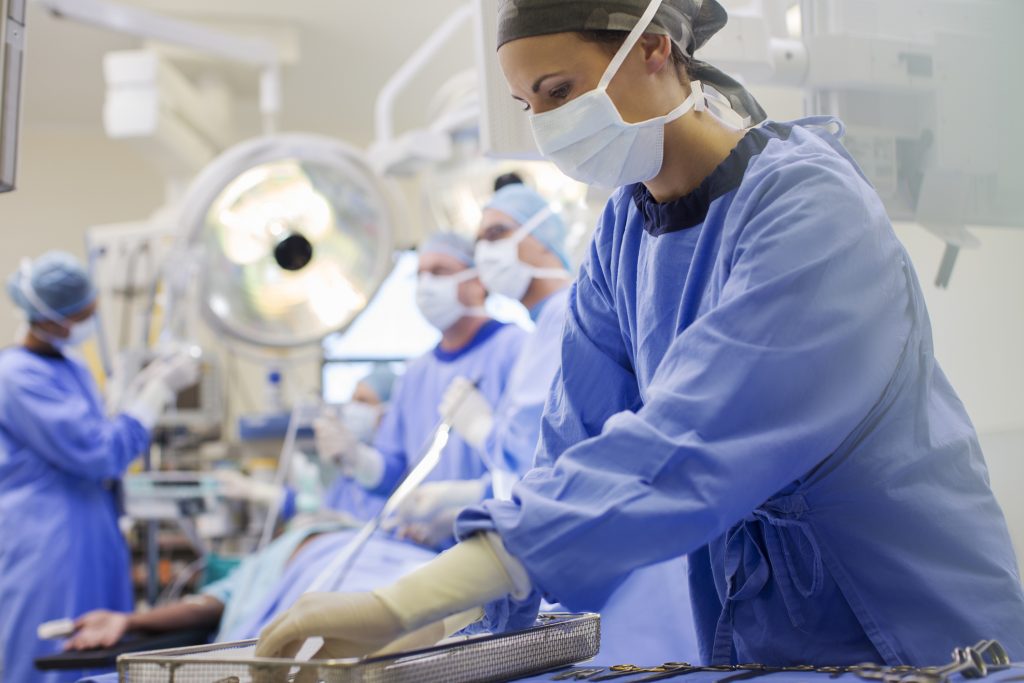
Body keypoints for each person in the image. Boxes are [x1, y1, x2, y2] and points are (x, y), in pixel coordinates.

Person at [255, 0, 1024, 668]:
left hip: (924, 640)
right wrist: (483, 625)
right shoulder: (623, 236)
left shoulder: (810, 212)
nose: (551, 126)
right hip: (762, 648)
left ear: (655, 48)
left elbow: (689, 441)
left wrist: (405, 600)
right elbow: (568, 448)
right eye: (529, 105)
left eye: (560, 91)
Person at [0, 251, 199, 683]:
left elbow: (96, 437)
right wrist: (155, 395)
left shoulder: (68, 365)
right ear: (52, 319)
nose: (92, 321)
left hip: (91, 532)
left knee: (103, 650)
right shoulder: (17, 377)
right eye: (84, 314)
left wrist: (135, 395)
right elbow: (100, 453)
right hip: (48, 542)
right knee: (52, 655)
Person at [319, 233, 526, 550]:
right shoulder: (415, 374)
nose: (426, 284)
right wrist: (358, 459)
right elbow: (397, 471)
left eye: (440, 271)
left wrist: (463, 498)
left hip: (497, 546)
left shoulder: (516, 350)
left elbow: (533, 462)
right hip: (420, 550)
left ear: (478, 281)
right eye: (420, 274)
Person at [216, 363, 399, 524]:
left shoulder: (390, 475)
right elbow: (320, 506)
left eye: (363, 401)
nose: (352, 407)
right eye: (353, 399)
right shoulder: (349, 473)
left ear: (387, 412)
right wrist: (255, 491)